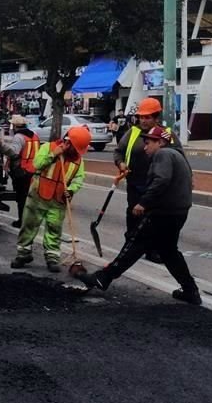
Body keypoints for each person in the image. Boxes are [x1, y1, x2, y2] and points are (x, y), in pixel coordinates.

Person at [78, 126, 201, 304]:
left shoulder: (163, 154)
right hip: (178, 212)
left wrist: (144, 202)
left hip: (162, 212)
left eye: (148, 142)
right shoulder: (177, 155)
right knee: (169, 251)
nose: (145, 147)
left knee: (136, 242)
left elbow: (161, 180)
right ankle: (190, 290)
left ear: (161, 142)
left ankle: (103, 278)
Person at [11, 126, 91, 273]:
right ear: (68, 142)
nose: (76, 152)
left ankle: (52, 258)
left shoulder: (78, 161)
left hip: (58, 201)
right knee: (28, 226)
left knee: (54, 230)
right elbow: (36, 165)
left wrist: (72, 190)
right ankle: (23, 254)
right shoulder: (48, 148)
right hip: (37, 197)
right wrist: (53, 154)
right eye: (75, 148)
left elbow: (79, 178)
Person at [114, 97, 183, 259]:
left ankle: (153, 251)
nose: (143, 120)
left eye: (147, 117)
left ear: (156, 117)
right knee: (133, 218)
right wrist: (121, 163)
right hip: (135, 184)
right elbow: (118, 151)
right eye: (141, 117)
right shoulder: (132, 133)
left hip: (158, 187)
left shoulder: (167, 134)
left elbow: (179, 156)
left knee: (155, 220)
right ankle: (129, 249)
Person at [0, 115, 40, 228]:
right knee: (30, 198)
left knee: (21, 198)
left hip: (22, 171)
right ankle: (30, 220)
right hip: (33, 170)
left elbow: (14, 153)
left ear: (14, 126)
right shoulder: (34, 136)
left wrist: (0, 145)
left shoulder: (19, 137)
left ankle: (22, 221)